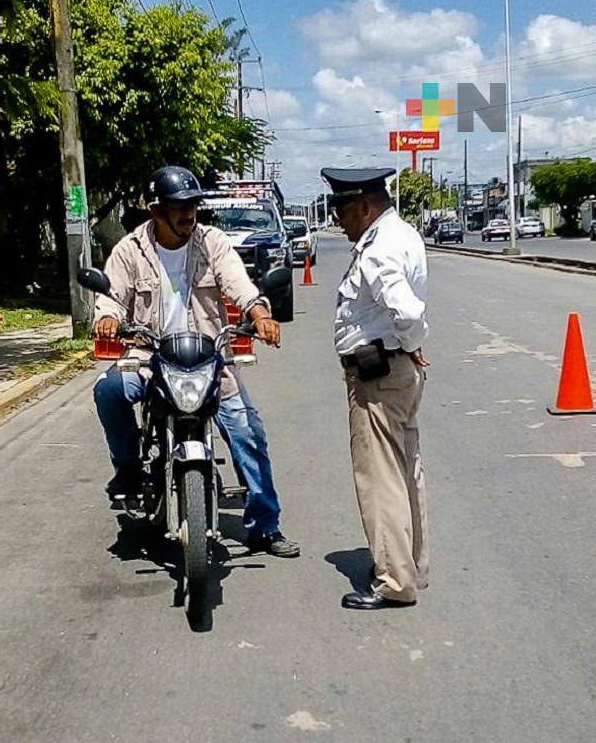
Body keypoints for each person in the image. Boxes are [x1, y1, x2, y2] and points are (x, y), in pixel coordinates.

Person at [92, 166, 299, 557]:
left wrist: (258, 313)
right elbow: (111, 295)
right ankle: (129, 466)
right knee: (108, 391)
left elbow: (238, 282)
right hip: (149, 356)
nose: (189, 214)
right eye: (178, 207)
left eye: (192, 206)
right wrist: (107, 317)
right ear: (156, 210)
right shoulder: (129, 250)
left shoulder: (212, 243)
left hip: (208, 357)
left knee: (247, 430)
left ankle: (265, 526)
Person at [322, 167, 430, 610]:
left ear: (365, 207)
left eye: (343, 211)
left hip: (378, 376)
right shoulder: (400, 234)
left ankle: (393, 581)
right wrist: (411, 347)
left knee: (380, 478)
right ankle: (412, 565)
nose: (339, 222)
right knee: (406, 471)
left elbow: (405, 310)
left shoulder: (378, 249)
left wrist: (410, 342)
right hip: (397, 369)